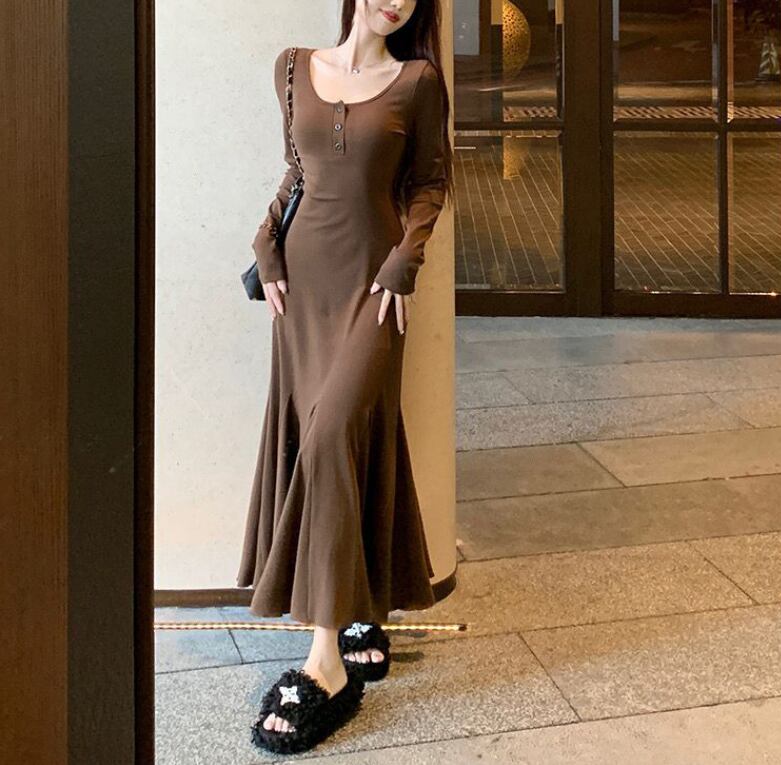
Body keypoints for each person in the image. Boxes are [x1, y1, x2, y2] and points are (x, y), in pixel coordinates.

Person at [236, 0, 454, 753]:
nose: (396, 0)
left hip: (373, 284)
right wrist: (264, 244)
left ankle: (323, 659)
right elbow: (297, 173)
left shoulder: (418, 82)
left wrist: (405, 261)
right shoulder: (294, 68)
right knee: (323, 439)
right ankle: (359, 610)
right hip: (300, 283)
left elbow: (429, 183)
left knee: (332, 436)